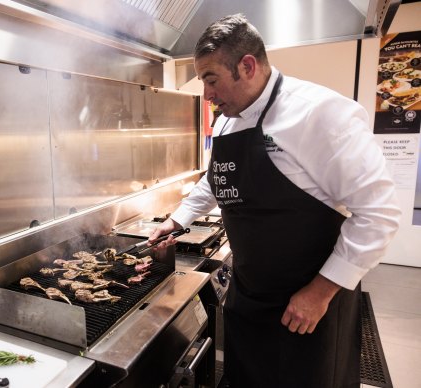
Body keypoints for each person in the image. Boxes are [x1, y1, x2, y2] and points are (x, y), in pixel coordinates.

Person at [149, 14, 401, 388]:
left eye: (211, 79)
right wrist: (178, 219)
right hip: (248, 295)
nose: (208, 95)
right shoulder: (227, 121)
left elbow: (379, 213)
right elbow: (217, 180)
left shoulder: (320, 113)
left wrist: (320, 291)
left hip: (310, 303)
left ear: (247, 66)